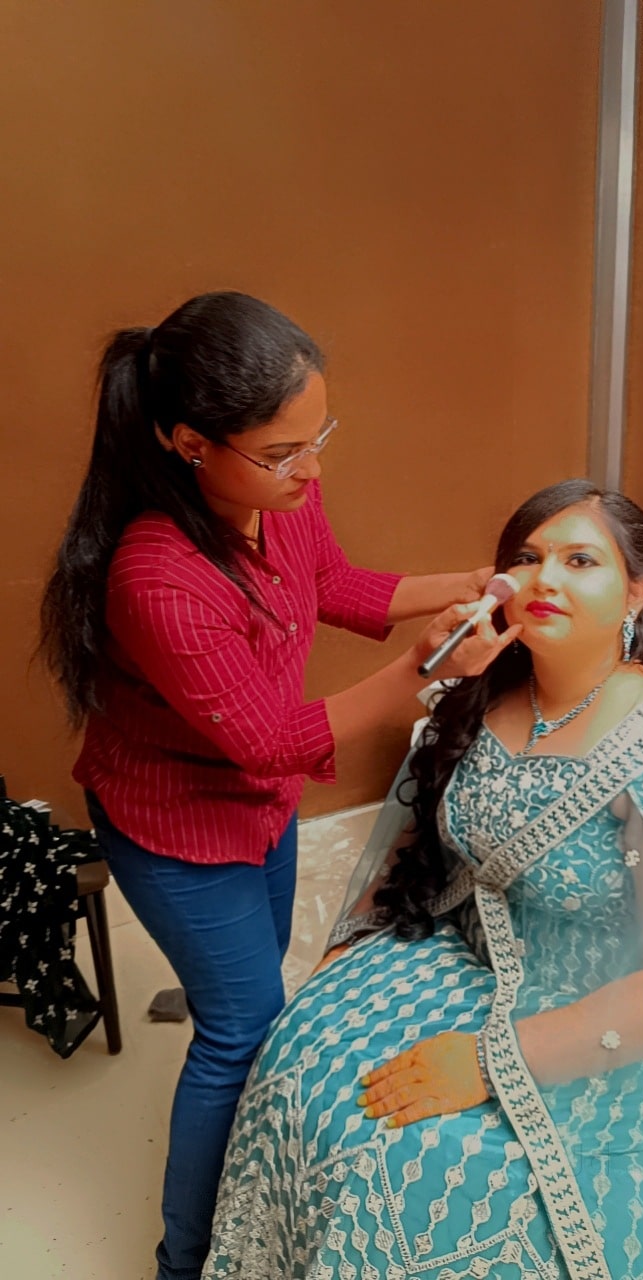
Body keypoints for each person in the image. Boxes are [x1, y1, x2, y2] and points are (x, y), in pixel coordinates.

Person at [39, 290, 517, 1280]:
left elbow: (335, 583)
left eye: (319, 437)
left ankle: (249, 1187)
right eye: (284, 451)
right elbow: (266, 740)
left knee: (257, 995)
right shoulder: (155, 577)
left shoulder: (277, 499)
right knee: (240, 1028)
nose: (313, 468)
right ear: (189, 443)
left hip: (258, 805)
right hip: (173, 824)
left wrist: (473, 583)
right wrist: (425, 667)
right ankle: (186, 1261)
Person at [202, 479, 643, 1280]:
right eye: (528, 557)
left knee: (423, 1161)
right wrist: (349, 946)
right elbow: (417, 851)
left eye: (581, 561)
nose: (546, 579)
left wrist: (489, 1061)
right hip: (467, 950)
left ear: (637, 592)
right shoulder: (482, 694)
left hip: (605, 1007)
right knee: (298, 1058)